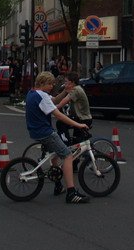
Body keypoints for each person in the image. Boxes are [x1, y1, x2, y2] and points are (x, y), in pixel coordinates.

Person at [25, 72, 90, 203]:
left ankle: (58, 185)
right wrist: (78, 125)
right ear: (43, 83)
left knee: (54, 155)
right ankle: (71, 193)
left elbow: (53, 100)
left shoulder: (33, 93)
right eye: (50, 84)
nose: (52, 86)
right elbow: (58, 115)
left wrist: (65, 92)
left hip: (35, 131)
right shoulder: (41, 96)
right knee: (67, 155)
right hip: (45, 132)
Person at [55, 71, 93, 140]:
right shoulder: (73, 89)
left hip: (83, 118)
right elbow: (57, 100)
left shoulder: (76, 90)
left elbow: (62, 103)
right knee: (77, 141)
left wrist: (52, 109)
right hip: (78, 117)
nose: (64, 83)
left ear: (72, 82)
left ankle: (66, 143)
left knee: (60, 123)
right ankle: (70, 145)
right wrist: (65, 91)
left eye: (66, 81)